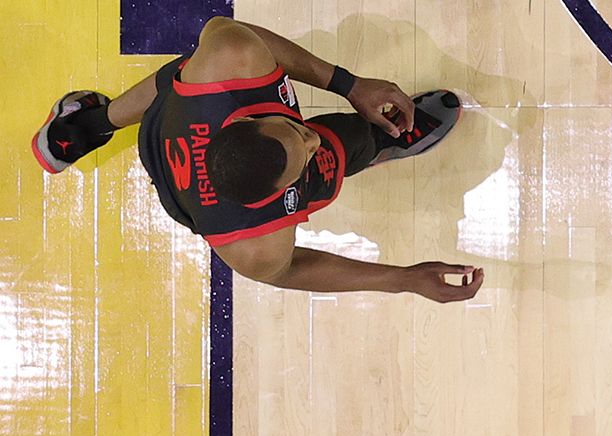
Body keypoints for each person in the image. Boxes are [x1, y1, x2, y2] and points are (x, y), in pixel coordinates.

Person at [30, 17, 480, 300]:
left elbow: (243, 36)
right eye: (300, 159)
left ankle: (84, 127)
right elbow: (288, 270)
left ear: (238, 121)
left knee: (190, 71)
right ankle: (384, 141)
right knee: (343, 147)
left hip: (169, 125)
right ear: (279, 196)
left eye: (295, 131)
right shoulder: (253, 246)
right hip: (186, 194)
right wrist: (403, 279)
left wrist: (350, 85)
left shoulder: (228, 59)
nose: (310, 142)